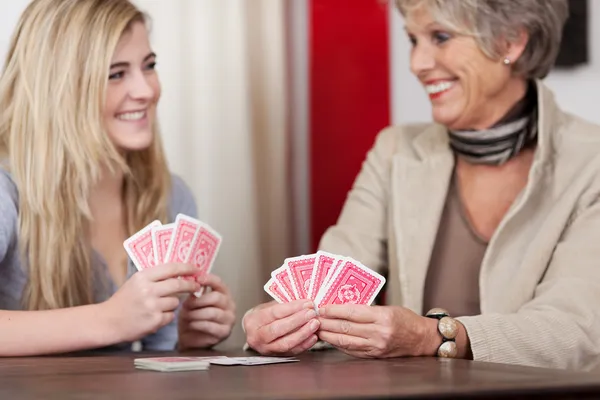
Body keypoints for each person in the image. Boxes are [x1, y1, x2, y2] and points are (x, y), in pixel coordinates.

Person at [244, 0, 600, 370]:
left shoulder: (592, 162)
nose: (417, 64)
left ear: (510, 42)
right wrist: (272, 321)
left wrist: (434, 336)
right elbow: (327, 290)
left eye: (440, 37)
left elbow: (575, 330)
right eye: (414, 41)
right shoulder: (395, 151)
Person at [0, 0, 235, 356]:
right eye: (116, 74)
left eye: (149, 66)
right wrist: (109, 319)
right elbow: (117, 322)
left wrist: (187, 341)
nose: (146, 90)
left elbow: (153, 360)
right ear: (60, 89)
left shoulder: (170, 196)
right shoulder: (6, 190)